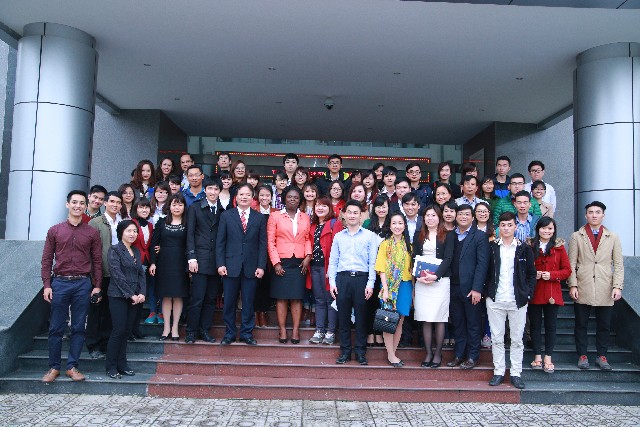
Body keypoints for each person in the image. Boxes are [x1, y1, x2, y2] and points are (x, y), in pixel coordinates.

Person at [40, 190, 102, 383]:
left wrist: (97, 286)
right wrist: (47, 284)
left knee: (78, 327)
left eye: (81, 203)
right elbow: (46, 259)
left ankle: (72, 366)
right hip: (59, 282)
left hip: (83, 283)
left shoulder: (92, 232)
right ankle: (53, 367)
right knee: (56, 327)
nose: (78, 206)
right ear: (67, 204)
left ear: (85, 206)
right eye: (74, 202)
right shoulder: (55, 230)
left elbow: (97, 261)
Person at [569, 201, 624, 371]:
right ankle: (582, 355)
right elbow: (571, 264)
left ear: (603, 215)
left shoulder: (612, 237)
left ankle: (602, 355)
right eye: (591, 212)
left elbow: (618, 264)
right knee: (581, 324)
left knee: (604, 325)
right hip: (583, 284)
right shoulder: (576, 236)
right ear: (586, 215)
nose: (594, 215)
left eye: (597, 212)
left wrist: (617, 286)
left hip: (605, 285)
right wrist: (573, 285)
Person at [485, 211, 536, 390]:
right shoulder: (491, 247)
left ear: (515, 226)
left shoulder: (524, 248)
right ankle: (499, 371)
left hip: (517, 300)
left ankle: (516, 373)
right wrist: (487, 292)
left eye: (510, 225)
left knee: (517, 339)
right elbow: (485, 271)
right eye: (503, 225)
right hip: (496, 298)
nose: (506, 228)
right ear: (499, 227)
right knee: (497, 338)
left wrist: (527, 294)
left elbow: (531, 274)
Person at [328, 200, 380, 365]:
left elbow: (372, 262)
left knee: (361, 318)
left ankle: (360, 352)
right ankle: (344, 352)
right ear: (344, 214)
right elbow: (333, 261)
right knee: (343, 318)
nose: (352, 216)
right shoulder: (338, 237)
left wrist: (370, 283)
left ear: (361, 215)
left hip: (361, 279)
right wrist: (332, 282)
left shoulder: (369, 236)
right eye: (349, 212)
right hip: (342, 279)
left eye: (355, 213)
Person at [216, 183, 267, 345]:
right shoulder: (226, 216)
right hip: (230, 266)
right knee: (229, 302)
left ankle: (246, 333)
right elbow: (220, 242)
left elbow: (262, 244)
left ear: (253, 198)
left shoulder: (259, 217)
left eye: (247, 195)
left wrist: (261, 266)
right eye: (241, 194)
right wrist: (220, 264)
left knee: (248, 302)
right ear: (236, 197)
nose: (244, 197)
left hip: (251, 267)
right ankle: (229, 333)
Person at [446, 204, 489, 370]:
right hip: (453, 287)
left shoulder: (480, 236)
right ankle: (459, 354)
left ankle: (472, 356)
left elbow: (482, 264)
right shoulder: (451, 235)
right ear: (456, 216)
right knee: (458, 323)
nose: (463, 217)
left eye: (467, 214)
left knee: (473, 324)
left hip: (472, 289)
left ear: (472, 217)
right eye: (460, 214)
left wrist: (477, 288)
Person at [268, 185, 312, 344]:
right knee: (281, 298)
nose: (292, 199)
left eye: (296, 197)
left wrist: (308, 256)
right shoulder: (275, 216)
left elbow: (307, 238)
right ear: (284, 199)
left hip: (300, 262)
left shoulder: (305, 217)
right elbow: (270, 241)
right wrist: (276, 263)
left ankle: (295, 330)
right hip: (281, 261)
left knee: (296, 298)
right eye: (289, 197)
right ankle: (282, 330)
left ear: (300, 200)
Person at [528, 216, 571, 374]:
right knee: (535, 325)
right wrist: (535, 273)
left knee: (551, 326)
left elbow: (567, 270)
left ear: (554, 230)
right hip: (535, 291)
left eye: (550, 228)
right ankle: (537, 356)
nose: (546, 231)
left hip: (552, 291)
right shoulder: (530, 246)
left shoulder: (559, 248)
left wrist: (552, 275)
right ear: (538, 229)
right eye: (544, 228)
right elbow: (524, 267)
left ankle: (548, 357)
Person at [413, 205, 454, 368]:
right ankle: (428, 352)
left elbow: (448, 258)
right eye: (427, 215)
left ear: (439, 217)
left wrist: (436, 276)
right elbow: (415, 257)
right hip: (422, 281)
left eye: (433, 215)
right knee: (426, 317)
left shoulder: (448, 235)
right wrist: (418, 276)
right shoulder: (418, 234)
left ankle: (437, 354)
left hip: (440, 281)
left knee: (439, 317)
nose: (430, 218)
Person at [184, 178, 225, 344]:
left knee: (210, 299)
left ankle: (204, 330)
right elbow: (190, 234)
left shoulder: (223, 210)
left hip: (216, 261)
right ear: (205, 190)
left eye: (216, 189)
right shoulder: (195, 207)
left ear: (219, 191)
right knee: (197, 298)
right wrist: (191, 257)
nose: (213, 192)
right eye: (210, 189)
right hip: (199, 260)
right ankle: (191, 331)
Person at [105, 220, 146, 378]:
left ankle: (122, 364)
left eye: (135, 231)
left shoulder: (135, 251)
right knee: (118, 330)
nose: (132, 234)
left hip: (135, 298)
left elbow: (141, 273)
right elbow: (117, 275)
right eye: (129, 231)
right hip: (118, 295)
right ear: (121, 232)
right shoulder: (115, 250)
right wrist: (130, 294)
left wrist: (142, 293)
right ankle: (111, 366)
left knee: (126, 331)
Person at [86, 191, 123, 360]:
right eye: (112, 201)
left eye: (118, 202)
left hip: (117, 274)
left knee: (110, 311)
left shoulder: (122, 222)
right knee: (96, 311)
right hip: (100, 273)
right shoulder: (95, 222)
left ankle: (106, 344)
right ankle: (92, 345)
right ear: (105, 203)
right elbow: (89, 249)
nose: (115, 205)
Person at [375, 213, 414, 367]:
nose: (397, 226)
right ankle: (391, 355)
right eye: (394, 223)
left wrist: (413, 291)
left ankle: (394, 352)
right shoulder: (385, 244)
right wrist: (385, 289)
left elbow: (411, 270)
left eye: (400, 223)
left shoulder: (409, 246)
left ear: (404, 225)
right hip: (389, 287)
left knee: (399, 321)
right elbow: (381, 268)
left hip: (405, 285)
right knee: (388, 319)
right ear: (390, 226)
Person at [149, 193, 189, 341]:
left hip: (181, 262)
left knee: (178, 295)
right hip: (164, 262)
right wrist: (153, 262)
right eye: (174, 204)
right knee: (166, 295)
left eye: (180, 204)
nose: (177, 207)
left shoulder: (188, 223)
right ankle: (166, 328)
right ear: (169, 206)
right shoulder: (161, 222)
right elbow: (154, 244)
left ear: (184, 207)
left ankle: (175, 328)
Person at [307, 196, 343, 345]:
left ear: (330, 208)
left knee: (330, 299)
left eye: (323, 206)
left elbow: (339, 248)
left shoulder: (335, 223)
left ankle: (331, 331)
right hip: (315, 267)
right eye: (317, 205)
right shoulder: (313, 225)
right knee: (319, 300)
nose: (320, 208)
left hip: (328, 267)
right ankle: (319, 330)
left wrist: (333, 270)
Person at [365, 194, 390, 347]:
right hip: (371, 270)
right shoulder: (368, 224)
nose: (381, 209)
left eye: (384, 206)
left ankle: (380, 333)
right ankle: (370, 332)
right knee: (371, 302)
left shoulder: (392, 224)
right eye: (378, 206)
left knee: (383, 303)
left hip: (387, 271)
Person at [129, 198, 154, 339]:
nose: (144, 210)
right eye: (141, 207)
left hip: (146, 263)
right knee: (132, 298)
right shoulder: (131, 223)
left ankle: (136, 328)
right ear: (135, 209)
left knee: (141, 297)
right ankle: (129, 329)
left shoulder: (150, 225)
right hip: (133, 264)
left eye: (146, 207)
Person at [255, 185, 276, 327]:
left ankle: (264, 312)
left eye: (267, 195)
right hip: (255, 253)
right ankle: (256, 313)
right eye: (262, 195)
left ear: (271, 197)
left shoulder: (276, 212)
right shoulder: (253, 211)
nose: (264, 198)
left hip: (271, 254)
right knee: (256, 285)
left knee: (267, 284)